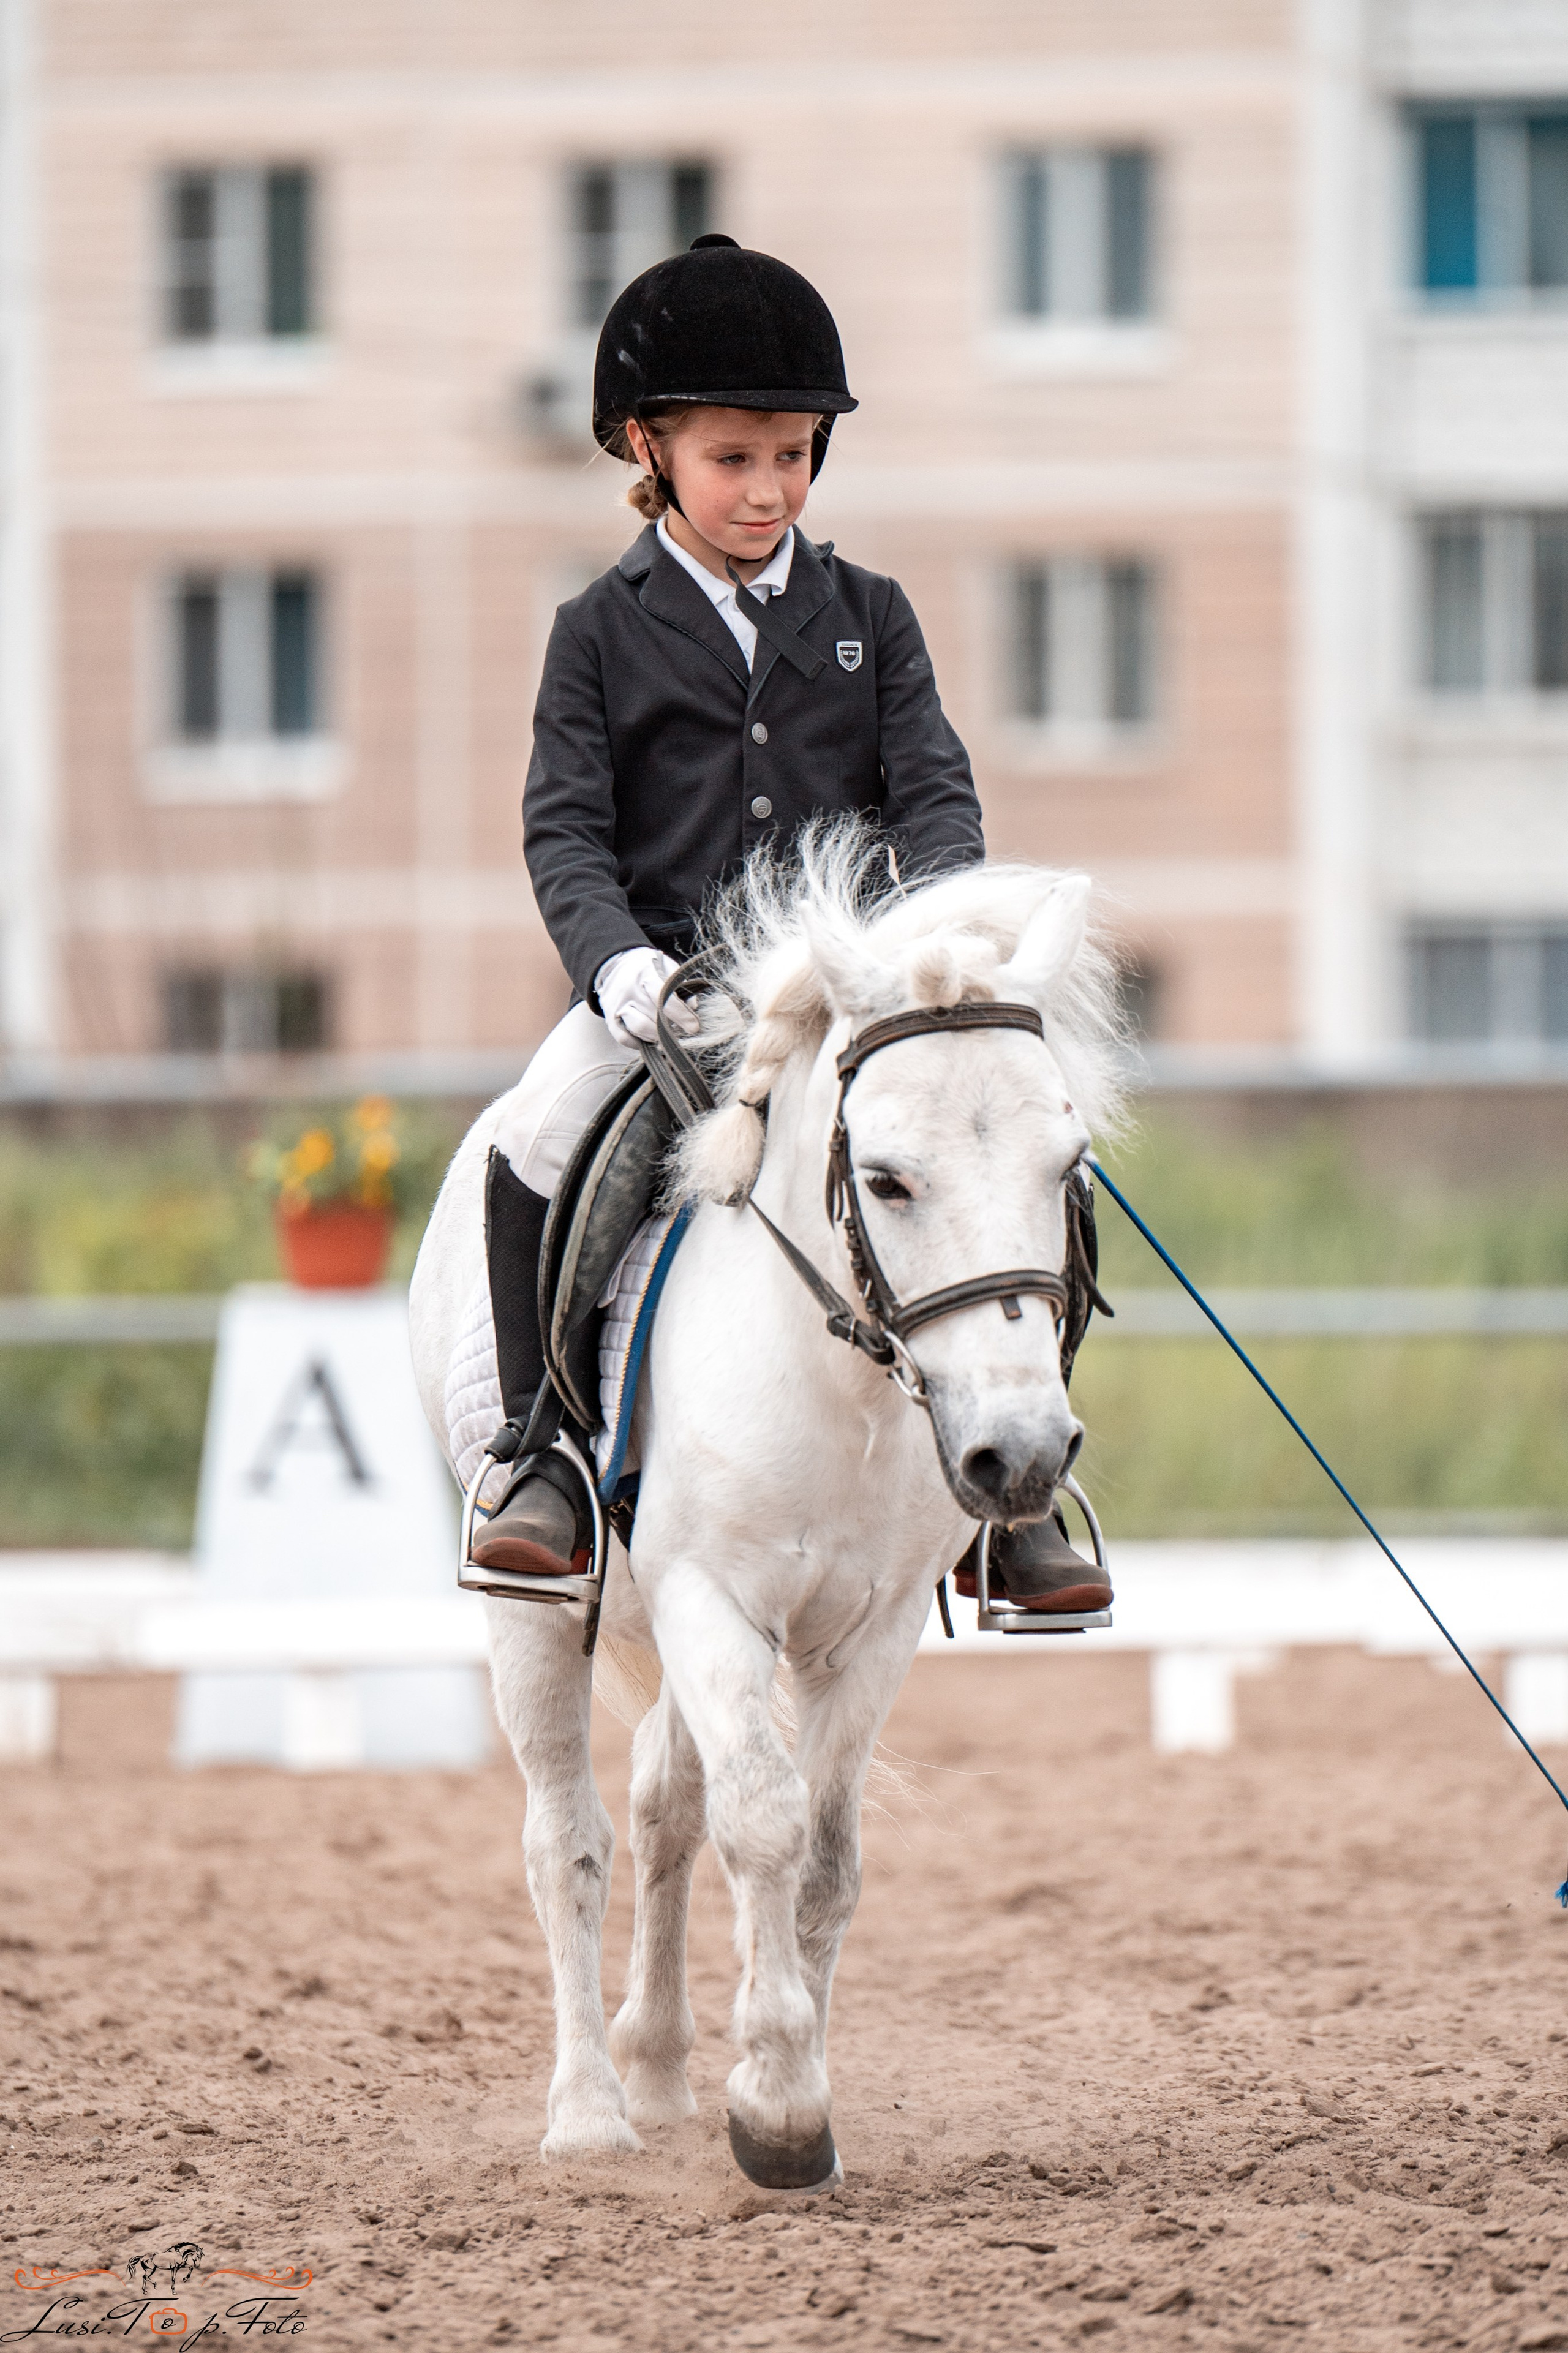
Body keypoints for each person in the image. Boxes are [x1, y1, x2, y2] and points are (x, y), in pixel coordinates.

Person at [471, 233, 1110, 1617]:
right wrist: (615, 965)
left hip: (847, 996)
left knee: (1021, 1146)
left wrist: (936, 941)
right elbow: (563, 828)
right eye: (732, 459)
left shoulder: (865, 615)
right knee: (532, 1134)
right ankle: (542, 1460)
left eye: (791, 456)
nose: (767, 491)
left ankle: (1014, 1504)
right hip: (673, 1004)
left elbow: (934, 795)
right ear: (648, 446)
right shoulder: (598, 629)